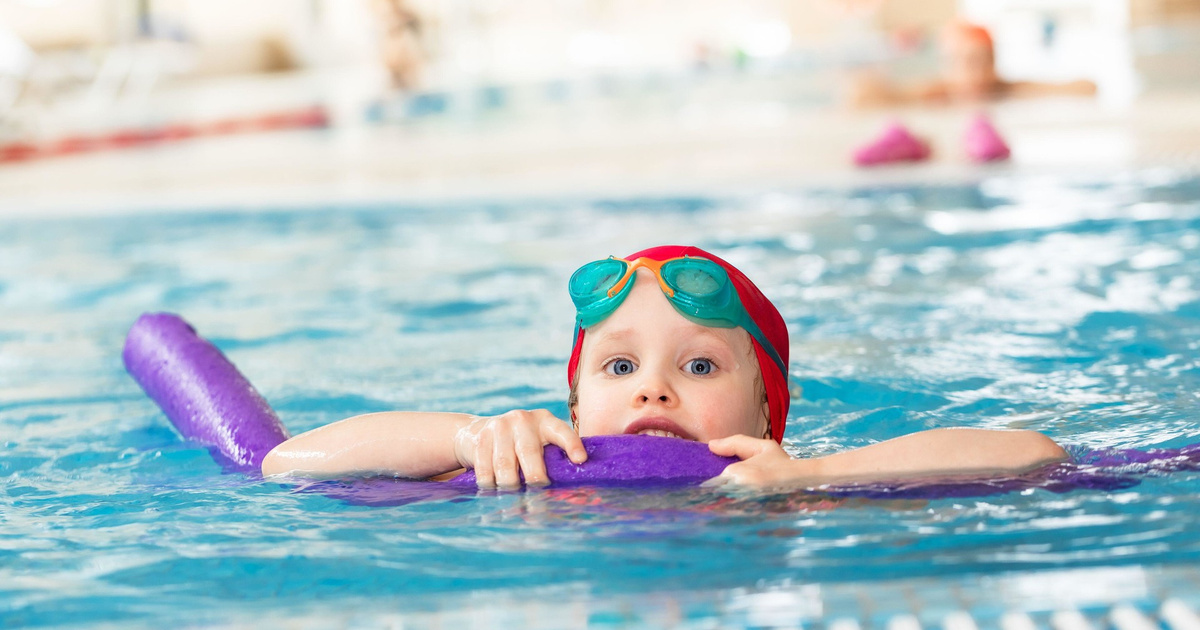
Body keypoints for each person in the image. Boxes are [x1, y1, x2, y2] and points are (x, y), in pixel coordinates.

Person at [261, 245, 1067, 488]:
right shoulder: (525, 480)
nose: (653, 387)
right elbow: (287, 463)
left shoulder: (792, 493)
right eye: (617, 367)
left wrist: (814, 477)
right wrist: (471, 437)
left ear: (764, 420)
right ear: (572, 413)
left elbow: (1035, 454)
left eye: (701, 368)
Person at [850, 21, 1097, 165]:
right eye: (956, 62)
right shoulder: (935, 92)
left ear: (992, 65)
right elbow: (861, 94)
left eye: (976, 61)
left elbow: (1088, 86)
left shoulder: (1008, 89)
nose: (968, 73)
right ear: (943, 66)